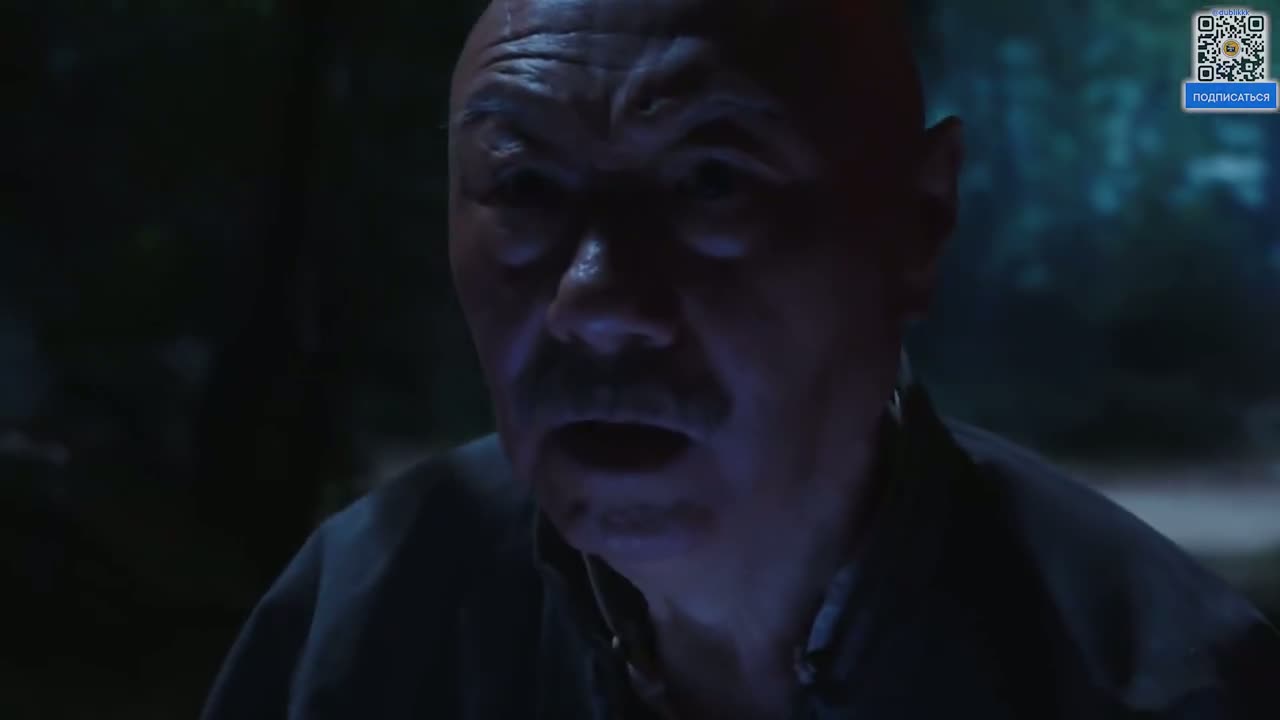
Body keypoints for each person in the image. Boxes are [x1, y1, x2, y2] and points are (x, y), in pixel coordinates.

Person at [201, 0, 1280, 718]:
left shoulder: (1168, 685)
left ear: (917, 221)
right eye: (524, 186)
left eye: (710, 182)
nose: (595, 303)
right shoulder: (360, 624)